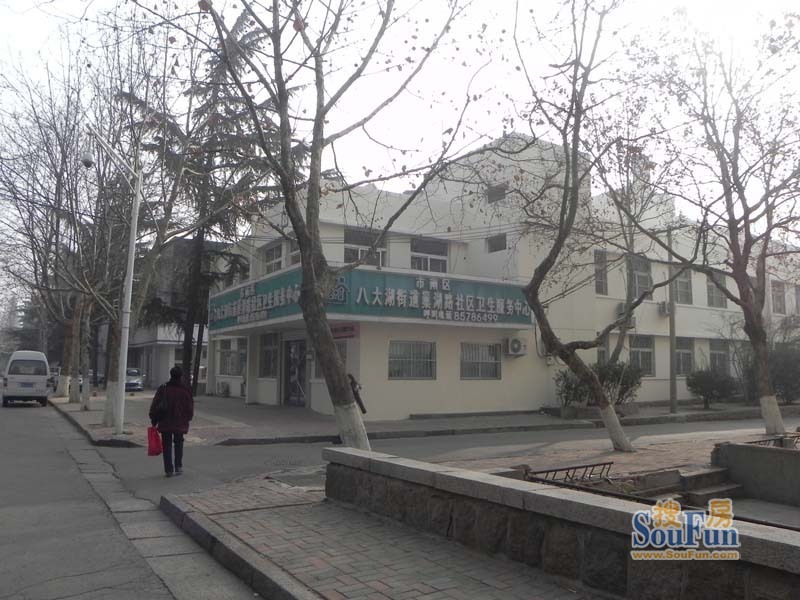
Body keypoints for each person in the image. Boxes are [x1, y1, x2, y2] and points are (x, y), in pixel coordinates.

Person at [149, 366, 194, 477]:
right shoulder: (185, 390)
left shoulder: (163, 388)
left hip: (165, 421)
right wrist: (188, 418)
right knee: (179, 443)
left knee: (167, 445)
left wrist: (154, 419)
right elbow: (190, 407)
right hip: (180, 422)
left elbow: (155, 404)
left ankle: (168, 469)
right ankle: (178, 467)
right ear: (181, 376)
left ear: (171, 375)